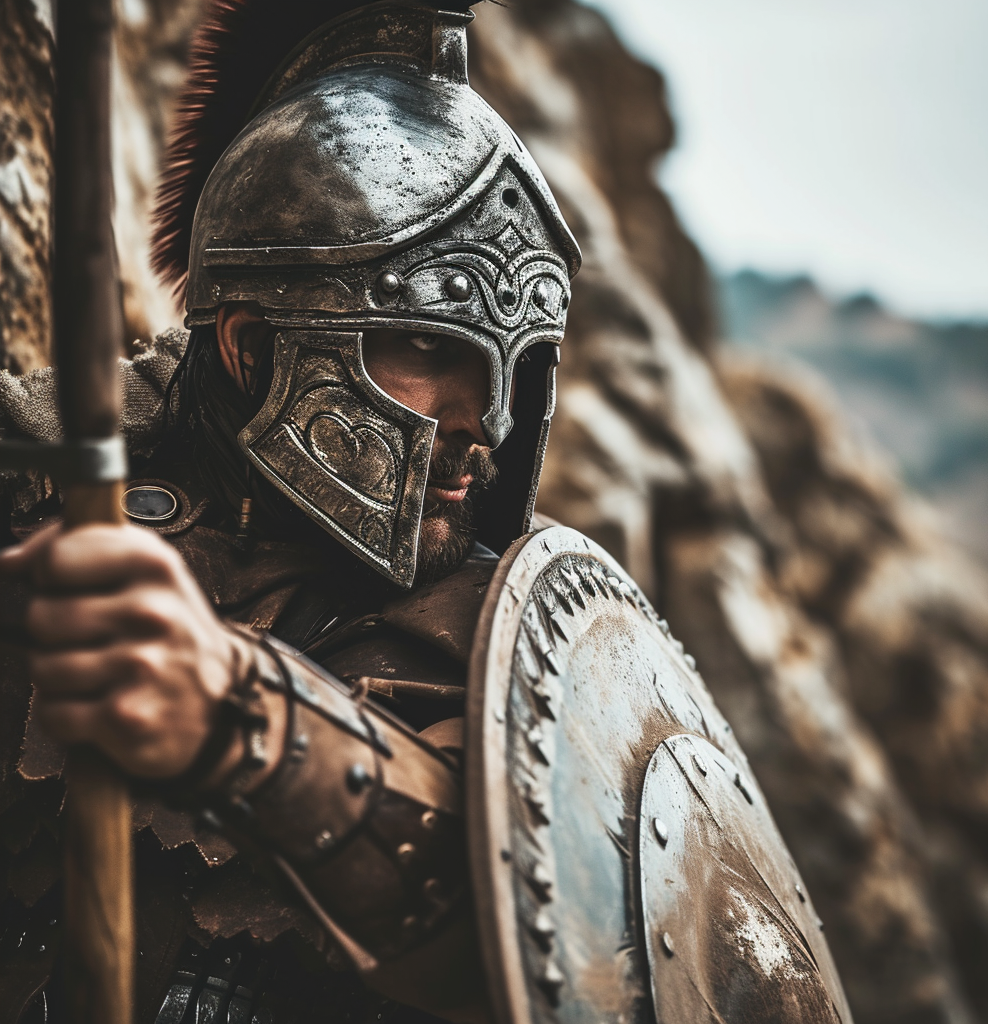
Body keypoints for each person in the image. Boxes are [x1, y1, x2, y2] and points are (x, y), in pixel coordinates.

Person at [0, 1, 580, 1021]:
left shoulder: (516, 650)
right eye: (431, 347)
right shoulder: (49, 478)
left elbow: (537, 933)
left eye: (511, 366)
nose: (480, 420)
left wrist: (240, 717)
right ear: (249, 349)